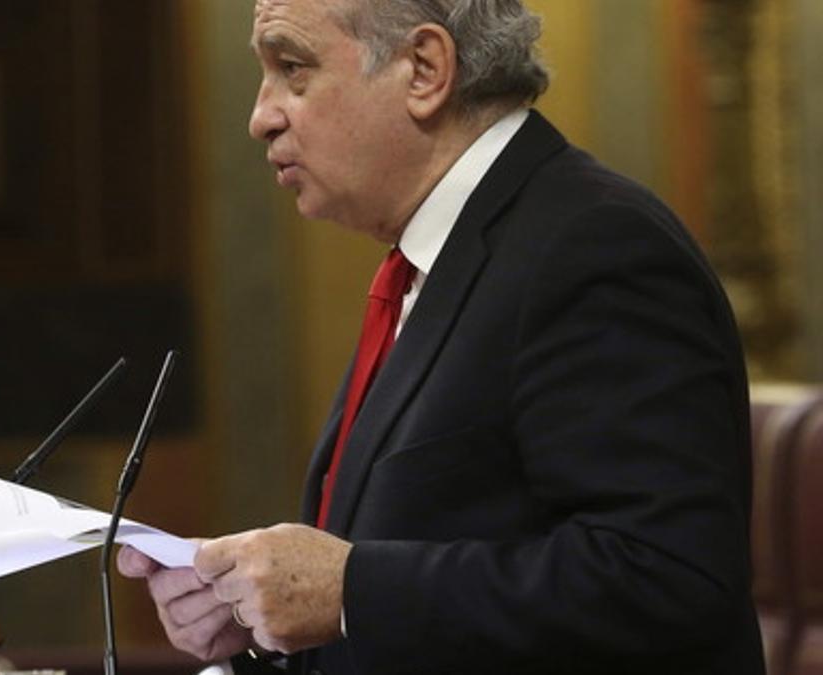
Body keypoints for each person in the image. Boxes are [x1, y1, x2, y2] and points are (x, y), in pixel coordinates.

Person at [118, 0, 764, 673]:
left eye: (292, 68)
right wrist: (262, 619)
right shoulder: (436, 262)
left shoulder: (594, 247)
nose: (261, 116)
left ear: (424, 69)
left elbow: (666, 577)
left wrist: (350, 589)